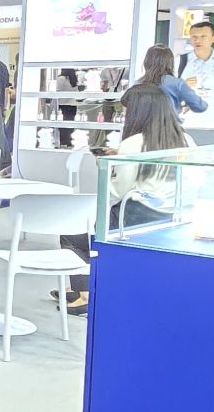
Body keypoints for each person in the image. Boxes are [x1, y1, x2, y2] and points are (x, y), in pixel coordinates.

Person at [58, 84, 195, 310]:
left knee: (72, 236)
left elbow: (116, 192)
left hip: (134, 219)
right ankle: (85, 289)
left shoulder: (133, 143)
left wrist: (106, 169)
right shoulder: (186, 140)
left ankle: (84, 294)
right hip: (170, 219)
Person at [137, 44, 207, 115]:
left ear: (146, 62)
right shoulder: (177, 84)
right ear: (170, 63)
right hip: (170, 121)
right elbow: (200, 107)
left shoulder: (136, 84)